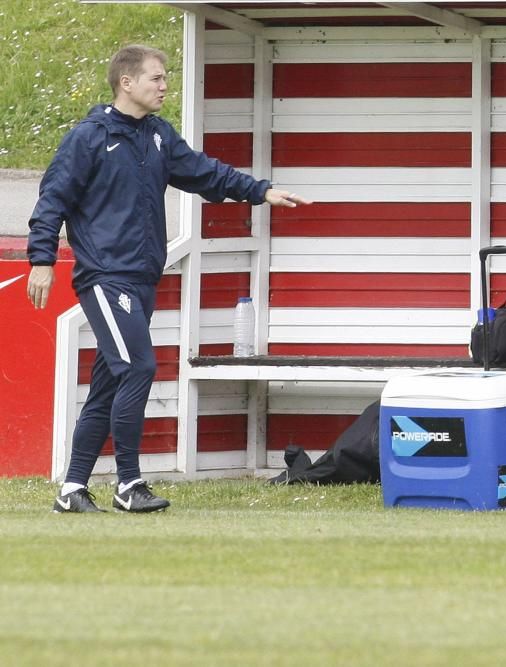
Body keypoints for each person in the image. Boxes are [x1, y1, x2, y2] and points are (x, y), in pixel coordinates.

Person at [27, 45, 310, 513]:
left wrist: (261, 191)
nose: (163, 86)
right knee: (137, 367)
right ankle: (128, 484)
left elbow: (205, 174)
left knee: (110, 382)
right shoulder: (89, 137)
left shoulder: (158, 136)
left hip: (140, 279)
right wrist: (41, 259)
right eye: (156, 79)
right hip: (105, 277)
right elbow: (52, 199)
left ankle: (73, 489)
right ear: (127, 83)